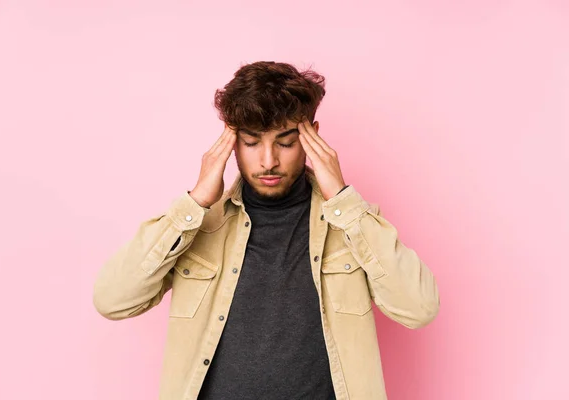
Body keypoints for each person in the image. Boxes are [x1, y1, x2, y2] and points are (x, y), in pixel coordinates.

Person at [93, 61, 440, 400]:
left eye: (286, 142)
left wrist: (344, 202)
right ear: (231, 142)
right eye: (252, 142)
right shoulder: (198, 225)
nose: (269, 160)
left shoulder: (352, 224)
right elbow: (113, 300)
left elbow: (419, 308)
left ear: (311, 137)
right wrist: (195, 203)